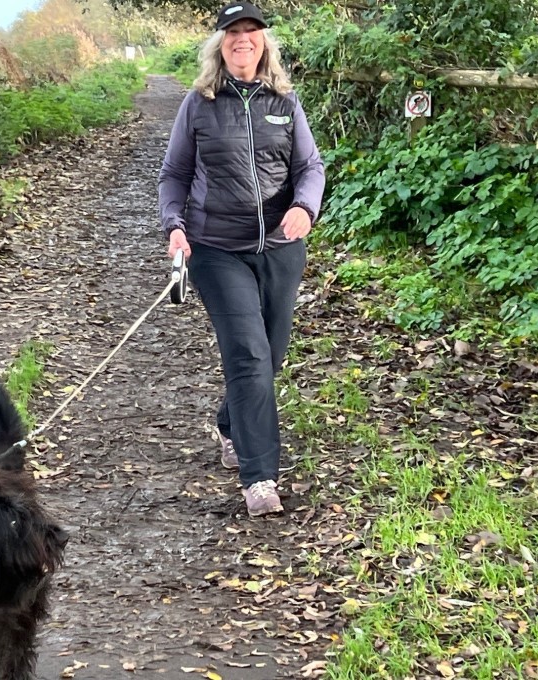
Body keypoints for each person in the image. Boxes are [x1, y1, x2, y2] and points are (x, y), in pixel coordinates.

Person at [158, 1, 325, 516]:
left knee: (270, 356)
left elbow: (310, 167)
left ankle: (230, 424)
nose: (243, 41)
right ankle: (260, 478)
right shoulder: (200, 103)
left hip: (279, 248)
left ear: (264, 43)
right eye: (233, 33)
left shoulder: (284, 101)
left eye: (252, 32)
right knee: (249, 357)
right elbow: (174, 174)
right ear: (220, 45)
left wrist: (304, 207)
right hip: (217, 249)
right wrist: (175, 226)